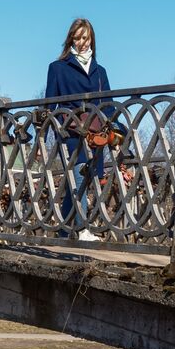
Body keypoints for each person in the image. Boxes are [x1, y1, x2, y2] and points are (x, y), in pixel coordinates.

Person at [45, 18, 120, 240]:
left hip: (96, 133)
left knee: (80, 182)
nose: (81, 43)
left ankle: (63, 231)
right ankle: (81, 229)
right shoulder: (58, 68)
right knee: (79, 177)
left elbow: (108, 103)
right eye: (76, 38)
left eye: (85, 37)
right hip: (71, 131)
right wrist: (40, 138)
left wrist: (114, 129)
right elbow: (49, 105)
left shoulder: (100, 71)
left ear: (91, 38)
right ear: (70, 40)